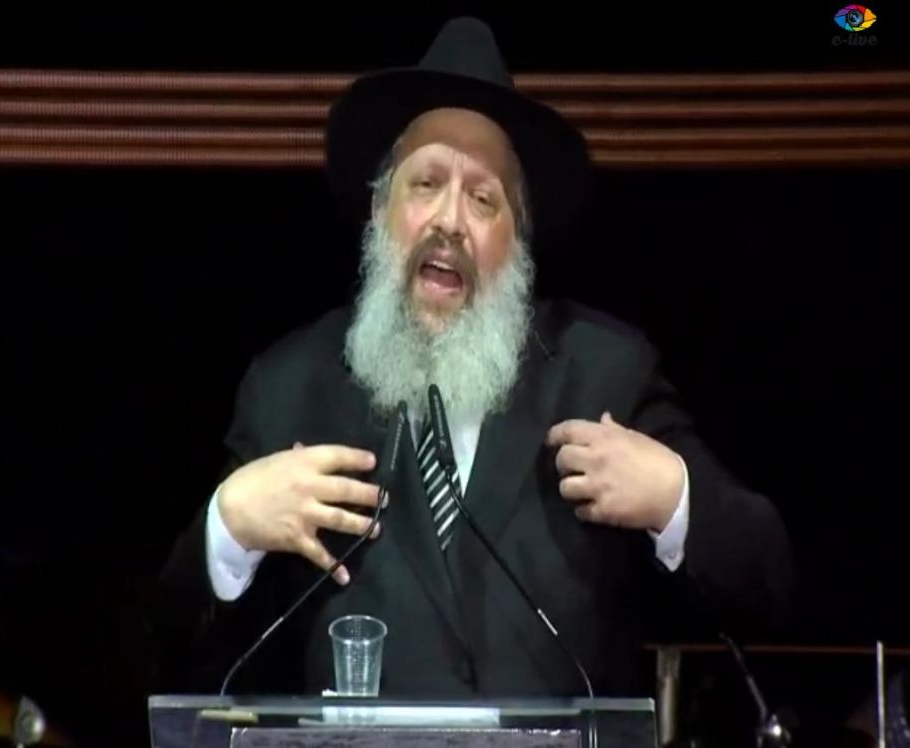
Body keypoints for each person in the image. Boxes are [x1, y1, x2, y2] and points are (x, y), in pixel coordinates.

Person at [154, 17, 796, 699]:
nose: (450, 221)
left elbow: (770, 586)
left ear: (517, 243)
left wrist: (674, 498)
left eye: (483, 199)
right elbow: (169, 641)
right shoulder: (290, 386)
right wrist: (229, 527)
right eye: (426, 184)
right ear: (380, 210)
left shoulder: (602, 374)